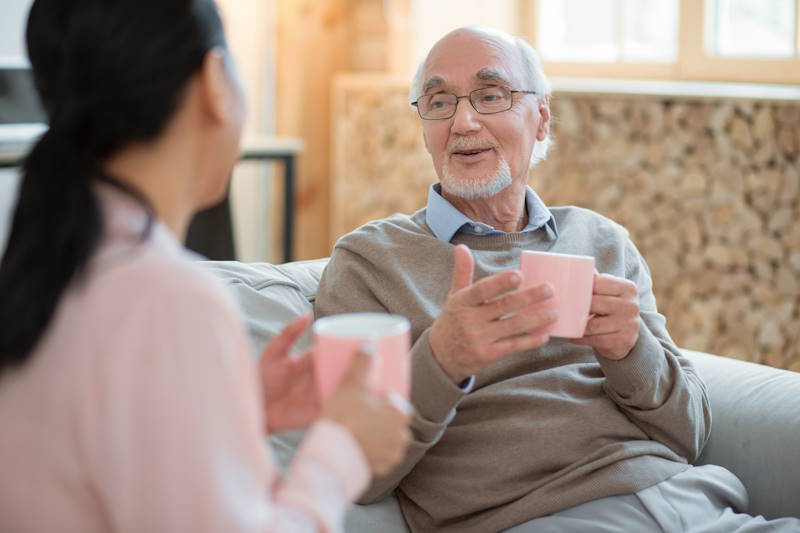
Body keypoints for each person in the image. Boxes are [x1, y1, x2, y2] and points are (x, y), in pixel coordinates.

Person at [315, 27, 800, 532]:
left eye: (490, 95)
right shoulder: (370, 262)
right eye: (439, 102)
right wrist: (441, 361)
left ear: (541, 118)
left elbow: (691, 432)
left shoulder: (602, 240)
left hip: (690, 504)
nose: (463, 121)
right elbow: (351, 470)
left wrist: (631, 350)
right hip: (536, 519)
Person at [0, 1, 410, 532]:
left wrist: (236, 411)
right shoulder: (169, 299)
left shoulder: (48, 271)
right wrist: (343, 447)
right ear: (215, 81)